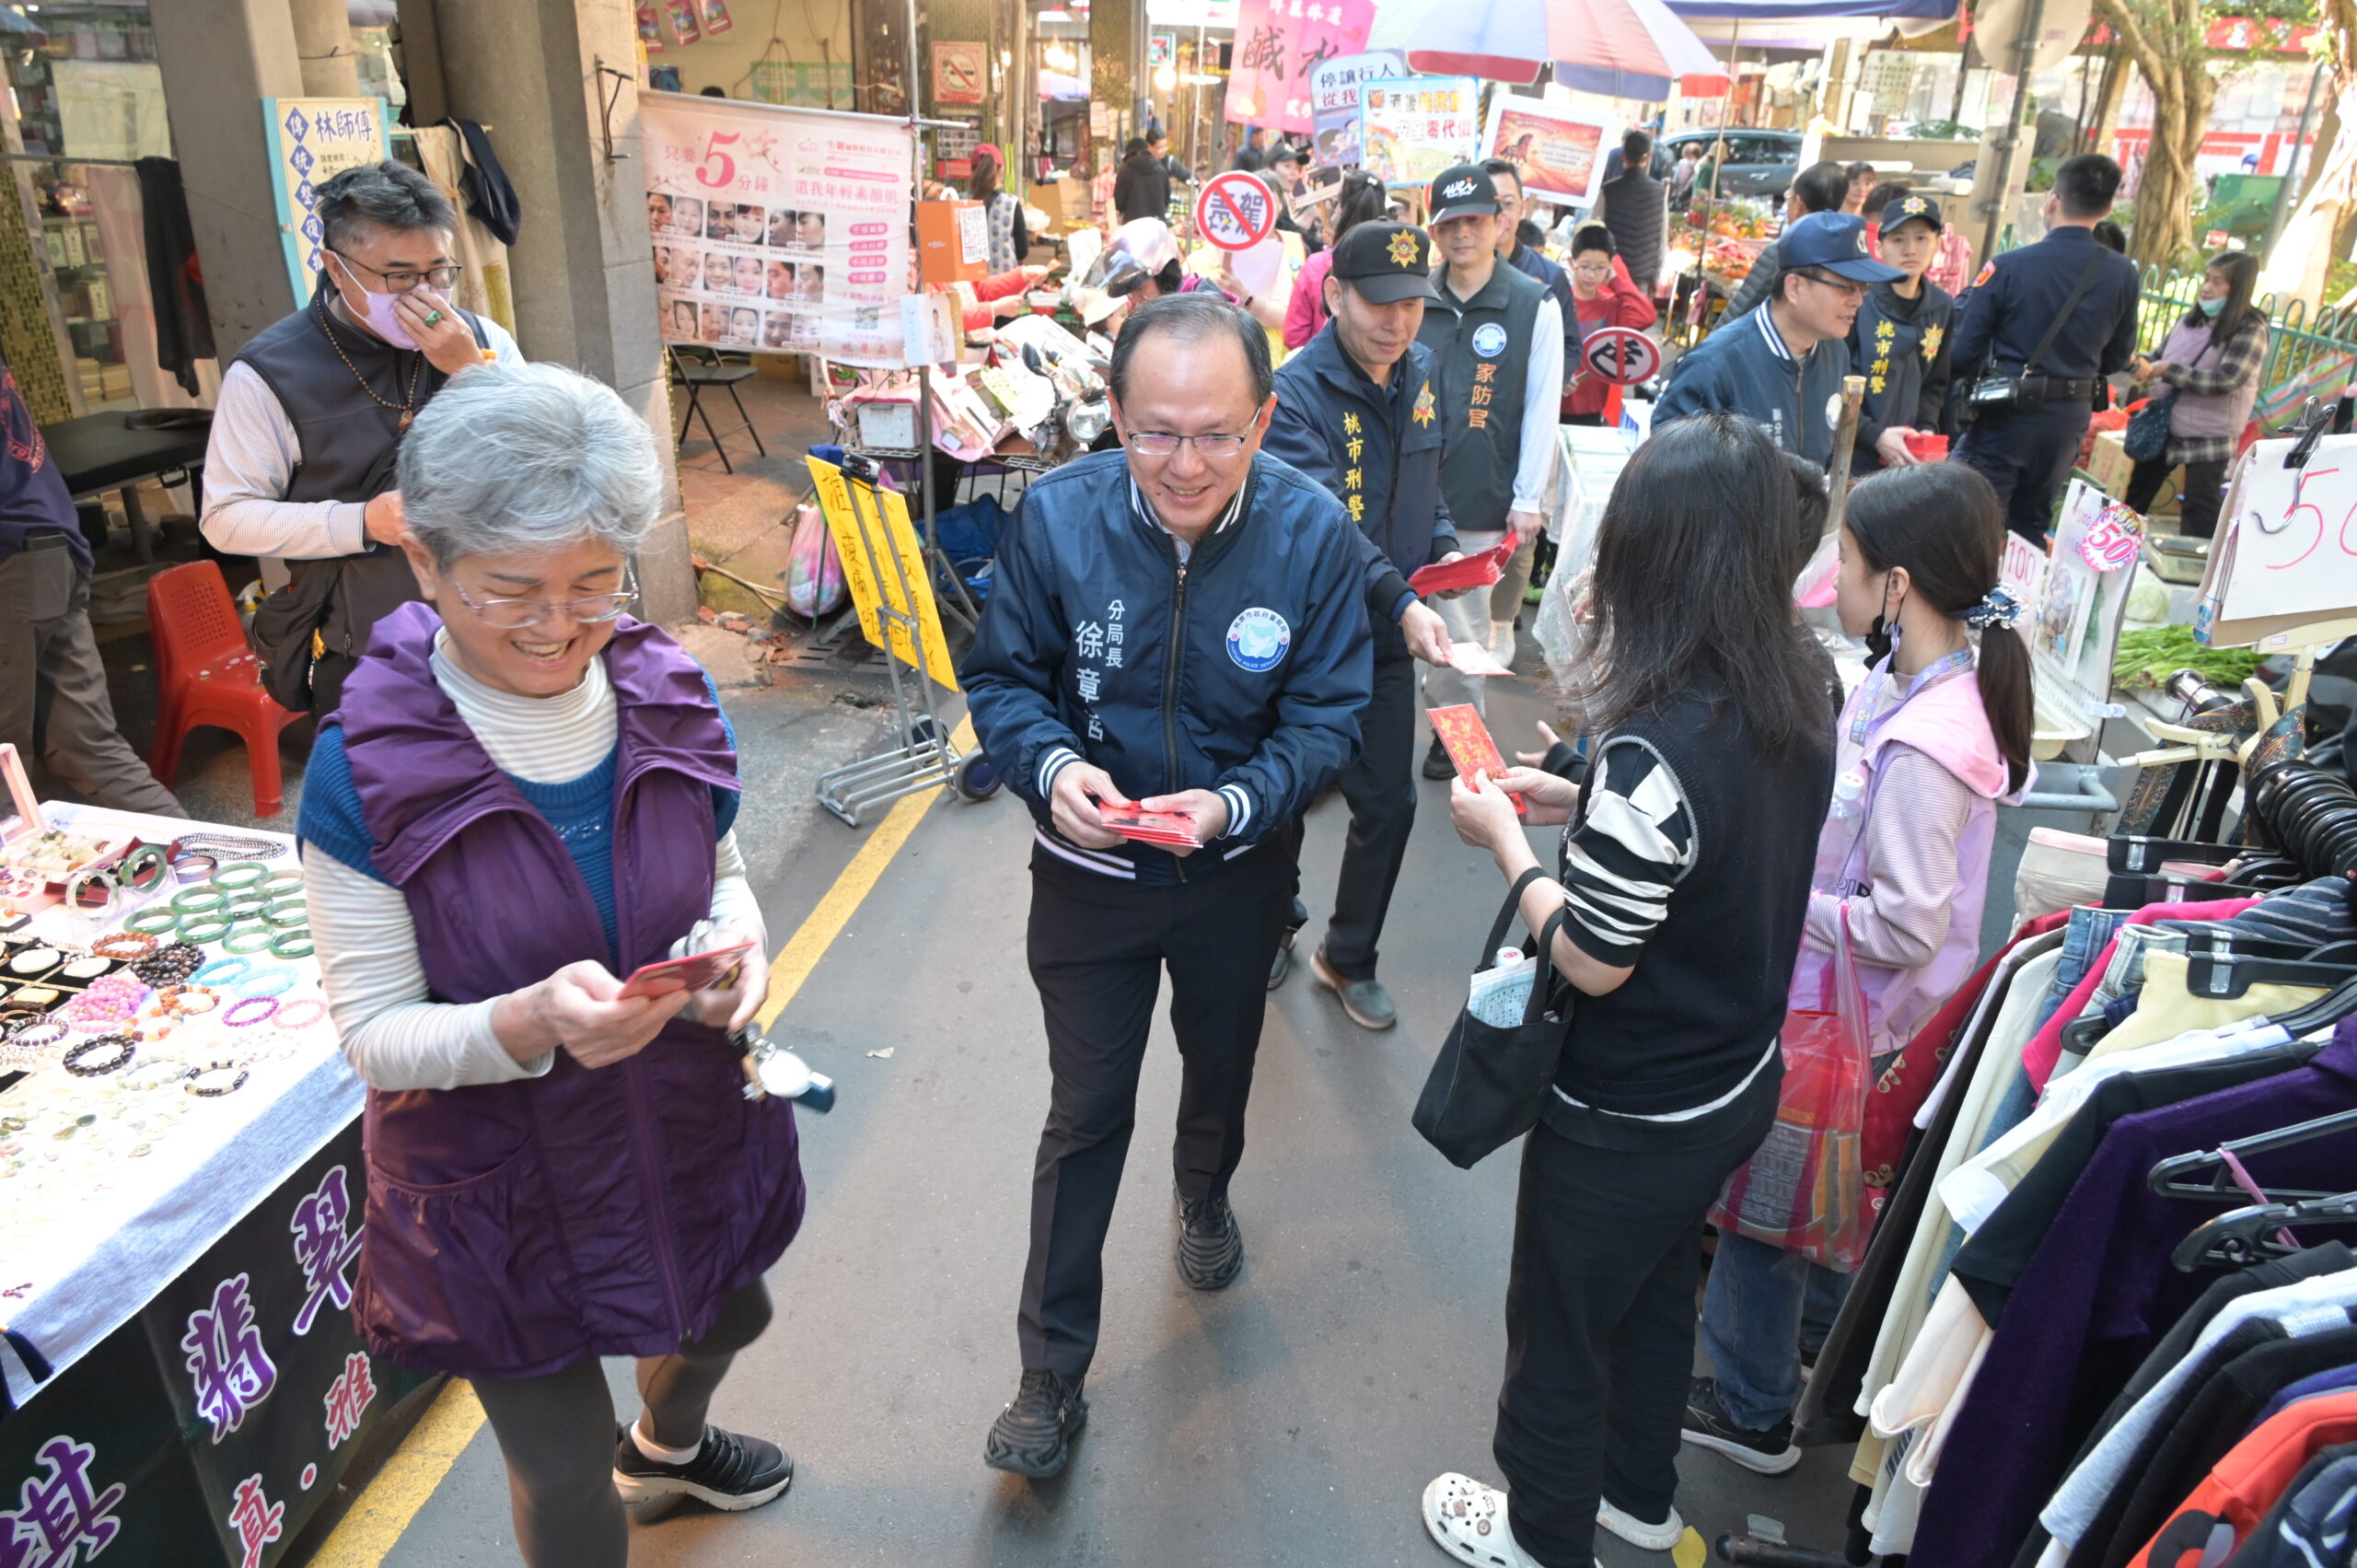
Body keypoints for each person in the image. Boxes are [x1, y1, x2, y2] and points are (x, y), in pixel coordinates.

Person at [296, 361, 801, 1568]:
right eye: (510, 589)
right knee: (563, 1471)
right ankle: (627, 1469)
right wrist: (522, 1020)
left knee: (732, 1309)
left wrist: (738, 960)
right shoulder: (364, 768)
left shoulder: (668, 687)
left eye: (592, 583)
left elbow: (722, 871)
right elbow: (373, 1032)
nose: (558, 625)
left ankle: (668, 1447)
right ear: (424, 561)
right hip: (497, 1187)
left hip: (678, 1120)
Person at [962, 293, 1374, 1481]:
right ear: (1113, 413)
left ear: (1264, 419)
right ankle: (1049, 1372)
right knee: (1085, 1110)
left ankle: (1203, 1194)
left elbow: (1327, 717)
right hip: (1088, 877)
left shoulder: (1312, 534)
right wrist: (1051, 767)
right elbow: (1003, 679)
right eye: (1153, 433)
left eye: (1215, 435)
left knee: (1219, 1061)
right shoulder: (1057, 517)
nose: (1183, 465)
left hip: (1235, 875)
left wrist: (1237, 804)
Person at [1421, 412, 1837, 1568]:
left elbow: (1594, 954)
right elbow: (1708, 841)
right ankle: (1636, 1494)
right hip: (1734, 1080)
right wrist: (1581, 794)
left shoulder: (1658, 738)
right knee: (1653, 1294)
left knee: (1558, 1328)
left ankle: (1539, 1535)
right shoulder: (1797, 680)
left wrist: (1509, 841)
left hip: (1627, 1110)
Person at [1687, 460, 2031, 1475]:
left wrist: (1774, 891)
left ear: (1898, 584)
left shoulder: (1928, 743)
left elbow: (1908, 925)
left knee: (1769, 1208)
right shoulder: (1913, 678)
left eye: (1842, 558)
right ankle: (1807, 1346)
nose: (1829, 576)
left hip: (1855, 1016)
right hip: (1858, 1010)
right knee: (1833, 1195)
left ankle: (1752, 1406)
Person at [203, 160, 519, 715]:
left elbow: (545, 467)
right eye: (399, 278)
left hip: (500, 626)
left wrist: (470, 371)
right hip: (367, 651)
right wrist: (363, 522)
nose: (426, 296)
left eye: (439, 273)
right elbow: (226, 519)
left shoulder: (481, 339)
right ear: (335, 267)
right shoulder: (269, 373)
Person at [1264, 222, 1459, 1025]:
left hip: (1386, 638)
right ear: (1335, 294)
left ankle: (1348, 956)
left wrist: (1446, 547)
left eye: (1412, 304)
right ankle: (1273, 920)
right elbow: (1327, 527)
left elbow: (1426, 482)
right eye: (1380, 303)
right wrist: (1403, 599)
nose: (1398, 322)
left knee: (1390, 804)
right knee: (1284, 794)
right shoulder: (1292, 395)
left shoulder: (1423, 370)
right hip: (1308, 638)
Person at [1414, 163, 1564, 776]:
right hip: (1407, 494)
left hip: (1479, 497)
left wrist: (1528, 497)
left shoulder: (1533, 304)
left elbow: (1542, 408)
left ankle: (1456, 743)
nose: (1462, 234)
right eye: (1449, 223)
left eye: (1474, 220)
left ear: (1500, 222)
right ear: (1433, 229)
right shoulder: (1415, 296)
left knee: (1461, 630)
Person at [0, 358, 186, 817]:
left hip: (12, 560)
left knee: (6, 769)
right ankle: (197, 854)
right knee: (87, 748)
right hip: (49, 545)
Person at [1950, 153, 2141, 541]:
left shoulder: (2009, 266)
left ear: (2053, 201)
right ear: (2107, 208)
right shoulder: (2122, 273)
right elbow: (2117, 358)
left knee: (1972, 519)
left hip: (2007, 413)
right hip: (2068, 419)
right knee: (2030, 526)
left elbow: (1963, 350)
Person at [1654, 211, 1899, 466]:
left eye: (1863, 288)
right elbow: (1670, 466)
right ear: (1794, 287)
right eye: (1846, 287)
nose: (1858, 301)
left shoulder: (1835, 351)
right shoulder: (1714, 365)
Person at [2123, 250, 2268, 539]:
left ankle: (2197, 564)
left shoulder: (2251, 329)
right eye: (2207, 279)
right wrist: (2140, 364)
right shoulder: (2190, 321)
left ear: (2238, 288)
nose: (2207, 287)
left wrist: (2167, 371)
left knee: (2199, 509)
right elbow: (2160, 356)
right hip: (2166, 425)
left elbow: (2227, 380)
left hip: (2211, 434)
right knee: (2135, 499)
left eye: (2217, 281)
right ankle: (2114, 551)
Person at [1851, 193, 1957, 472]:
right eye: (1898, 239)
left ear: (1938, 243)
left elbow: (1935, 383)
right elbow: (1836, 380)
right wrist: (1874, 435)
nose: (1910, 250)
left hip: (1909, 456)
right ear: (1879, 247)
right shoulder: (1859, 301)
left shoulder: (1942, 307)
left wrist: (1926, 426)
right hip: (1855, 453)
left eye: (1921, 238)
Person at [1724, 160, 1852, 320]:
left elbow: (1741, 309)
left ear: (1799, 205)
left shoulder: (1783, 250)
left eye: (1789, 197)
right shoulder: (1844, 254)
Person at [1561, 226, 1658, 426]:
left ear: (1611, 266)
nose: (1591, 275)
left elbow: (1646, 315)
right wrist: (1558, 376)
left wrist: (1615, 280)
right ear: (1572, 263)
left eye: (1600, 268)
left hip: (1591, 406)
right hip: (1555, 401)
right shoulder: (1560, 301)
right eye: (1585, 266)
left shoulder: (1610, 306)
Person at [1284, 169, 1386, 348]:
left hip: (1321, 362)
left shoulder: (1317, 265)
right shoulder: (1395, 263)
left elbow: (1294, 335)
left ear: (1340, 208)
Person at [1592, 129, 1668, 301]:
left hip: (1611, 273)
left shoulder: (1609, 190)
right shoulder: (1659, 192)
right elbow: (1662, 238)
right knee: (1633, 316)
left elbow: (1595, 229)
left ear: (1623, 156)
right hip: (1642, 277)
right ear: (1649, 156)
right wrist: (1656, 275)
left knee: (1609, 315)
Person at [970, 144, 1028, 275]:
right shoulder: (1010, 204)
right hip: (1004, 281)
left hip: (968, 283)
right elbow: (1022, 252)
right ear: (1001, 171)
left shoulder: (959, 201)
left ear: (972, 172)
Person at [1114, 136, 1171, 227]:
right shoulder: (1161, 170)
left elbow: (1118, 203)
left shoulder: (1125, 170)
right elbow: (1167, 200)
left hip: (1133, 227)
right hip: (1157, 226)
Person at [1669, 142, 1702, 209]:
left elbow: (1675, 180)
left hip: (1682, 195)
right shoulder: (1699, 165)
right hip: (1689, 196)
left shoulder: (1683, 163)